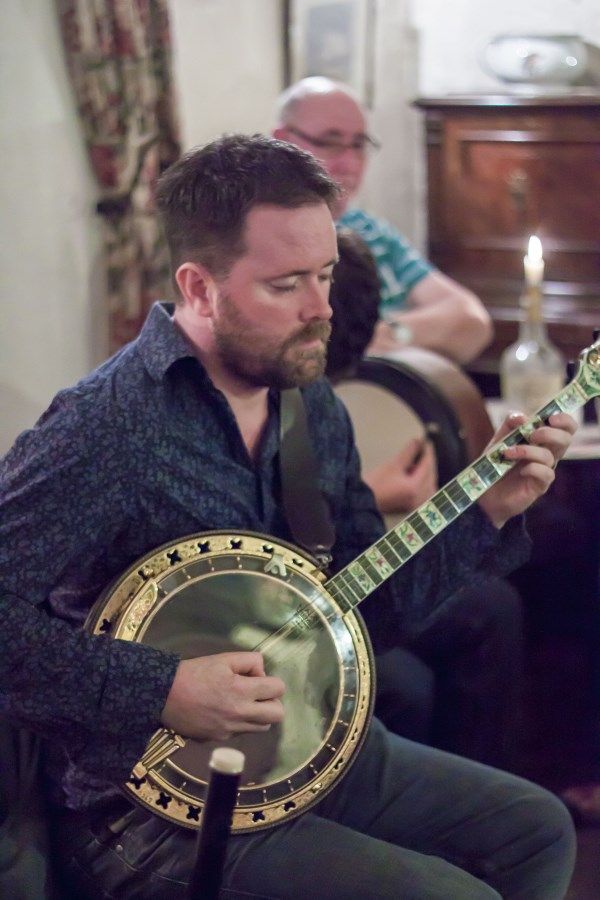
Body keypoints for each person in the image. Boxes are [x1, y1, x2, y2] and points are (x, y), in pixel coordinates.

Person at [0, 134, 578, 899]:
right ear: (199, 287)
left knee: (535, 831)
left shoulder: (313, 406)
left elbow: (371, 615)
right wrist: (163, 687)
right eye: (287, 285)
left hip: (300, 755)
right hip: (143, 813)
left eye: (326, 274)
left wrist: (487, 513)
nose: (322, 309)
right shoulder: (105, 428)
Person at [327, 229, 526, 766]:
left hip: (354, 564)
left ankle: (482, 789)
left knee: (493, 605)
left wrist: (488, 507)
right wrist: (375, 492)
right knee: (408, 685)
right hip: (313, 589)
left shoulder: (369, 239)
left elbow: (471, 321)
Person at [273, 76, 493, 365]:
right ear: (284, 141)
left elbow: (471, 320)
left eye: (359, 144)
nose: (350, 164)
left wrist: (387, 333)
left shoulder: (369, 229)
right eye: (330, 142)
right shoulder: (269, 239)